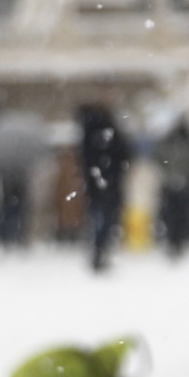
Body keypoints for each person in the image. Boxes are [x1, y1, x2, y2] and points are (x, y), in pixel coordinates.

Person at [74, 102, 133, 272]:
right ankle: (102, 248)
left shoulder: (88, 132)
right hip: (111, 180)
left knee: (97, 216)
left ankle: (98, 249)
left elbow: (85, 158)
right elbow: (123, 153)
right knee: (108, 217)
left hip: (94, 182)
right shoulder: (110, 129)